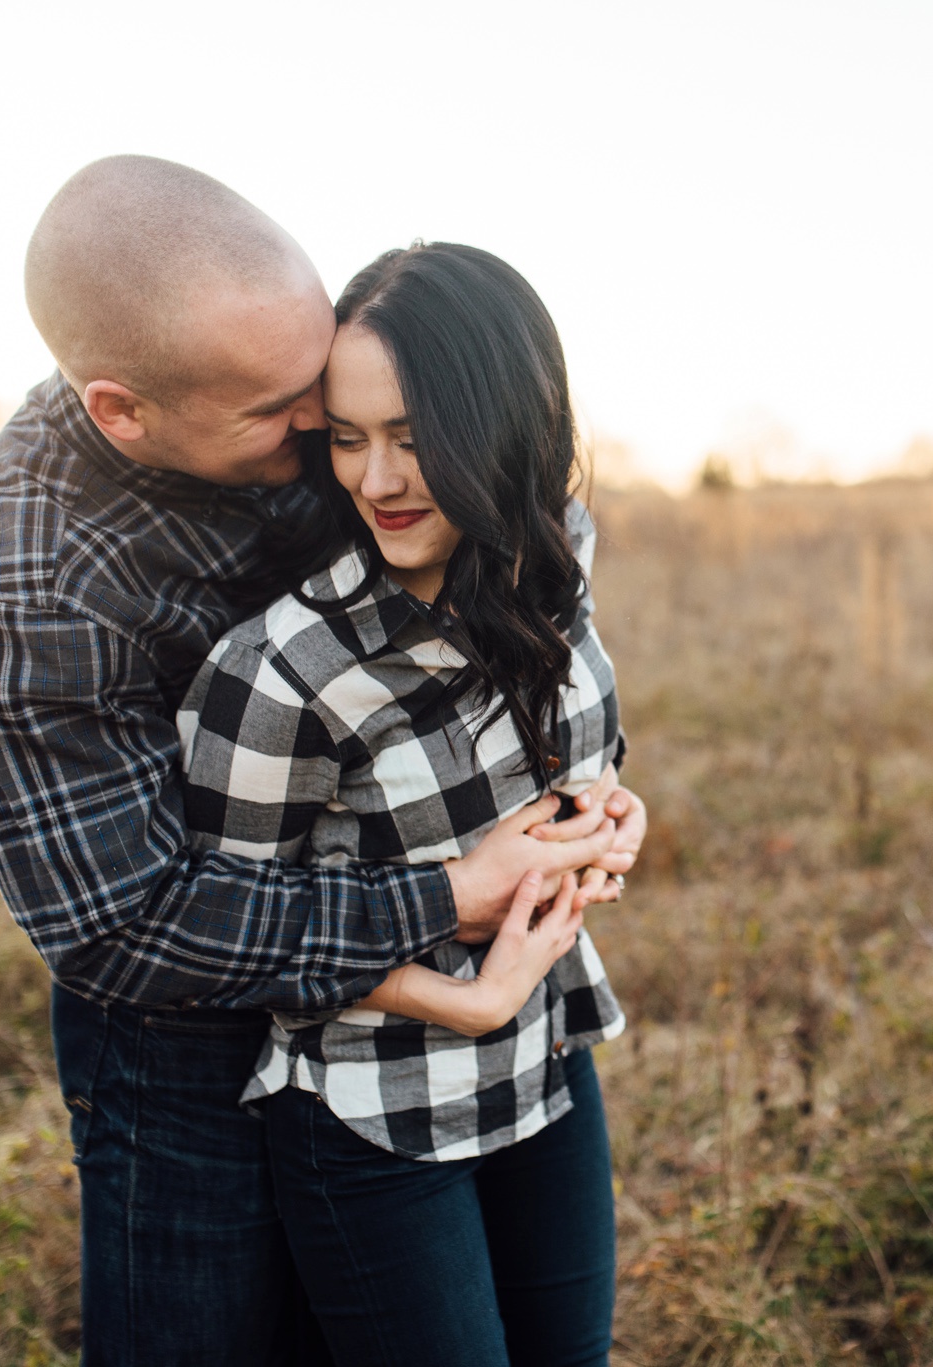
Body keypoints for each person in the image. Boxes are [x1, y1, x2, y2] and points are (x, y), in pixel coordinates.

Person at [0, 157, 647, 1366]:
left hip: (444, 1019)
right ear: (124, 412)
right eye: (290, 415)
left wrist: (582, 800)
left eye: (329, 387)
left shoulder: (297, 384)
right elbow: (124, 924)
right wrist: (451, 902)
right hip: (174, 1032)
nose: (331, 440)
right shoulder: (31, 586)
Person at [176, 242, 627, 1366]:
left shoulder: (552, 569)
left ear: (504, 423)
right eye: (349, 436)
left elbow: (591, 756)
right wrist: (456, 999)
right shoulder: (283, 669)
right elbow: (226, 924)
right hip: (370, 1116)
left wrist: (617, 815)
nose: (376, 479)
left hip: (544, 1061)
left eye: (416, 438)